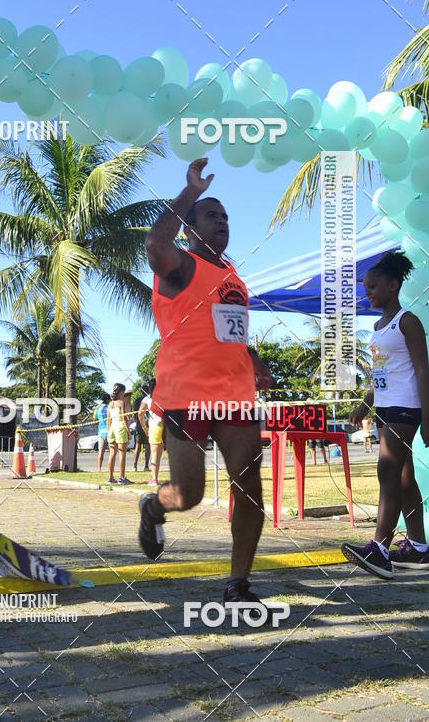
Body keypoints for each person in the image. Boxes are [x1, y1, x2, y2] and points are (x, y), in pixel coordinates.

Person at [139, 158, 273, 610]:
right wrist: (189, 193)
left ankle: (238, 583)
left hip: (235, 394)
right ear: (191, 228)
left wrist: (254, 361)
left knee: (248, 482)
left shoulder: (232, 275)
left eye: (226, 217)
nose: (223, 222)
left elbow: (231, 332)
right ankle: (155, 507)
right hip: (184, 395)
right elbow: (154, 243)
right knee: (189, 494)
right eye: (212, 215)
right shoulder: (180, 266)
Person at [342, 250, 429, 578]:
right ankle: (420, 548)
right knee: (404, 478)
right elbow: (380, 375)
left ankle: (379, 547)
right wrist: (365, 404)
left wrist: (428, 417)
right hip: (386, 408)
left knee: (386, 470)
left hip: (406, 407)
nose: (368, 291)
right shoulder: (378, 327)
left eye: (374, 285)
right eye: (366, 286)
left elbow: (423, 369)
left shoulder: (408, 321)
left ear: (394, 285)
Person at [139, 379, 164, 486]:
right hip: (165, 426)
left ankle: (154, 479)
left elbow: (140, 413)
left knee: (155, 455)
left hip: (155, 426)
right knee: (160, 454)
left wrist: (144, 427)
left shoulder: (147, 399)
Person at [107, 383, 132, 484]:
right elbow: (124, 418)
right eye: (123, 392)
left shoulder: (110, 404)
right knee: (122, 454)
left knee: (112, 454)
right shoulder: (121, 403)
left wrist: (109, 431)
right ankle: (122, 478)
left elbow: (108, 420)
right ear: (121, 392)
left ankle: (110, 477)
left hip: (112, 428)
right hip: (120, 427)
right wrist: (128, 431)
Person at [133, 390, 150, 473]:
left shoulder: (136, 400)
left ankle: (134, 466)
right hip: (146, 424)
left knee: (137, 445)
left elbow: (134, 414)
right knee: (147, 445)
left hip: (138, 425)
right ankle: (146, 466)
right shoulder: (148, 400)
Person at [94, 394, 110, 473]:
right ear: (107, 400)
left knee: (101, 452)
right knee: (112, 452)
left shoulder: (98, 409)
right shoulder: (109, 408)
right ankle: (111, 469)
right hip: (110, 432)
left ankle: (99, 469)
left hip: (101, 433)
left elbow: (94, 420)